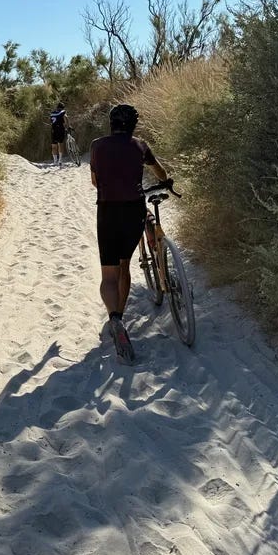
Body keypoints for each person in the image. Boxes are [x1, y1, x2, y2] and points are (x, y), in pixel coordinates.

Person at [89, 104, 169, 364]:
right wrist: (166, 181)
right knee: (124, 266)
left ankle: (115, 319)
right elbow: (160, 172)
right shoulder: (140, 146)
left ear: (111, 123)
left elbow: (94, 181)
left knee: (109, 274)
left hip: (107, 211)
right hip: (134, 210)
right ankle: (121, 316)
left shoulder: (97, 146)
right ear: (133, 124)